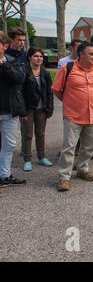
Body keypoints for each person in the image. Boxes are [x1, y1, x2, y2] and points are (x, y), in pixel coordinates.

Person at [52, 42, 93, 192]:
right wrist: (68, 101)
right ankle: (64, 177)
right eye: (92, 54)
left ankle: (82, 169)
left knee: (88, 147)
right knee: (69, 148)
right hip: (73, 116)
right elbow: (56, 89)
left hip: (92, 116)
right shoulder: (67, 68)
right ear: (81, 54)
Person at [0, 30, 27, 188]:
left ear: (4, 46)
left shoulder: (10, 61)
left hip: (9, 110)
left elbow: (19, 79)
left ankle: (4, 175)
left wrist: (3, 65)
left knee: (9, 144)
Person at [21, 47, 54, 171]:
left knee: (40, 134)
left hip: (41, 108)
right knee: (27, 135)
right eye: (36, 56)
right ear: (29, 57)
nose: (38, 58)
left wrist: (49, 108)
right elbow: (19, 92)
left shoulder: (45, 72)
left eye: (40, 56)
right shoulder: (24, 71)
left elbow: (49, 92)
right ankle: (27, 159)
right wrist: (22, 110)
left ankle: (41, 157)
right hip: (28, 109)